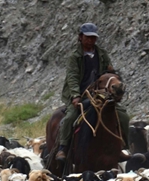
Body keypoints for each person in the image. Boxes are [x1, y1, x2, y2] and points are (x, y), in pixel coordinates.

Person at [55, 23, 128, 162]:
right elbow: (72, 77)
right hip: (80, 94)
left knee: (122, 115)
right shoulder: (75, 57)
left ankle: (122, 146)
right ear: (81, 37)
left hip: (99, 93)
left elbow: (108, 72)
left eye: (93, 38)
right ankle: (62, 148)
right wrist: (75, 96)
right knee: (70, 117)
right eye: (87, 37)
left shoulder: (101, 54)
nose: (90, 40)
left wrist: (112, 78)